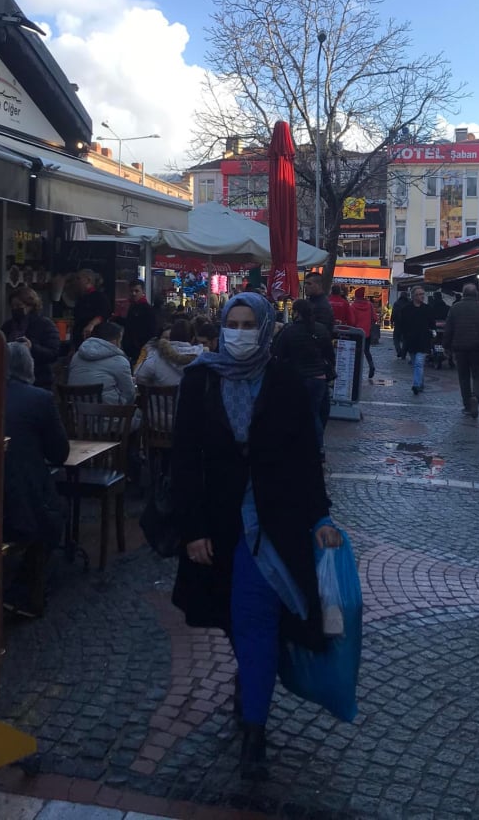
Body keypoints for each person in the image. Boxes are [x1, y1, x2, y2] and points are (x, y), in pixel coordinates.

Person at [170, 292, 341, 779]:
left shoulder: (283, 379)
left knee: (256, 618)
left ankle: (254, 730)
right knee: (233, 620)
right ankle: (252, 681)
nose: (240, 332)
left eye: (249, 323)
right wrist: (193, 528)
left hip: (273, 524)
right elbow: (184, 461)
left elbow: (307, 456)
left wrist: (320, 517)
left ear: (264, 328)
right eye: (233, 322)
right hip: (218, 526)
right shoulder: (200, 379)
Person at [0, 343, 69, 616]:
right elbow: (59, 453)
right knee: (53, 515)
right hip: (19, 505)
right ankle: (24, 593)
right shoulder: (38, 399)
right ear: (29, 367)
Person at [271, 298, 335, 455]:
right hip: (318, 379)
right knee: (314, 413)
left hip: (296, 378)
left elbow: (278, 353)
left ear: (296, 312)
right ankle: (318, 448)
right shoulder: (320, 329)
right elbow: (330, 354)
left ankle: (300, 446)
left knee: (298, 413)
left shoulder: (289, 331)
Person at [443, 283, 479, 417]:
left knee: (463, 377)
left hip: (460, 348)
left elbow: (449, 329)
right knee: (478, 375)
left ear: (463, 294)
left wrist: (446, 346)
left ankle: (467, 405)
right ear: (476, 294)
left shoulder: (455, 308)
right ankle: (476, 396)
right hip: (477, 348)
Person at [0, 287, 61, 389]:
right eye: (13, 306)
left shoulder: (45, 325)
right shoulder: (8, 326)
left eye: (19, 306)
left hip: (39, 380)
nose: (15, 309)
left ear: (31, 306)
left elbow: (53, 354)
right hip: (10, 381)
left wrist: (32, 347)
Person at [67, 321, 135, 405]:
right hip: (108, 414)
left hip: (76, 413)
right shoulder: (119, 361)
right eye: (120, 340)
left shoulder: (77, 356)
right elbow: (129, 393)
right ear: (115, 341)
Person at [135, 319, 205, 388]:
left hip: (163, 398)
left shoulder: (157, 355)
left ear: (171, 336)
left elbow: (139, 375)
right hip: (192, 399)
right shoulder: (203, 357)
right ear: (193, 338)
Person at [397, 286, 433, 395]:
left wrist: (432, 333)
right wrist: (404, 337)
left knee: (418, 363)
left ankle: (416, 385)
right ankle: (420, 384)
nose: (421, 296)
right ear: (413, 296)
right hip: (411, 341)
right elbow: (402, 325)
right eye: (418, 294)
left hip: (423, 340)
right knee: (416, 363)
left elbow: (432, 324)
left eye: (422, 294)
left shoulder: (427, 309)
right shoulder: (406, 309)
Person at [122, 281, 158, 367]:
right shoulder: (131, 307)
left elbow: (151, 332)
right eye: (131, 291)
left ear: (143, 292)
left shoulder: (148, 310)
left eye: (136, 291)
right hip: (131, 351)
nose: (133, 293)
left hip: (141, 351)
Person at [72, 269, 111, 348]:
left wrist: (91, 324)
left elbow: (104, 313)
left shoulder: (99, 297)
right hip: (79, 341)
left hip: (94, 340)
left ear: (88, 280)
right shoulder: (80, 299)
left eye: (78, 278)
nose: (76, 282)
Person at [350, 287, 378, 379]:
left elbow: (352, 321)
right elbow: (375, 318)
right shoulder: (369, 305)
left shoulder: (353, 306)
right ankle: (371, 365)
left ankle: (357, 371)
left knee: (357, 352)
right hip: (367, 333)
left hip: (357, 333)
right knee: (366, 351)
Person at [391, 290, 410, 358]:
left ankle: (399, 351)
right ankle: (403, 354)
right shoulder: (409, 303)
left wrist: (391, 322)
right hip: (407, 325)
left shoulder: (397, 303)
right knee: (405, 339)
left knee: (396, 338)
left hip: (398, 323)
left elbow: (393, 313)